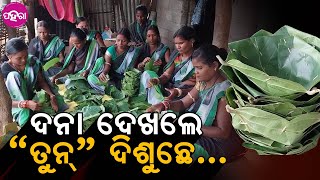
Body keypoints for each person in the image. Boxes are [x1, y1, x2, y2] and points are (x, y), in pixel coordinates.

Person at [146, 44, 246, 161]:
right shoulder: (202, 83)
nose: (196, 72)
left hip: (217, 142)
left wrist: (189, 127)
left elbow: (223, 133)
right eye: (195, 68)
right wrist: (164, 105)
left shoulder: (224, 93)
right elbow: (183, 103)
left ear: (214, 65)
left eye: (199, 68)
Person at [1, 38, 68, 127]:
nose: (24, 60)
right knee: (13, 76)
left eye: (25, 56)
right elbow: (4, 101)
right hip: (16, 105)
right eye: (19, 58)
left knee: (57, 109)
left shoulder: (32, 61)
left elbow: (41, 82)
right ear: (9, 56)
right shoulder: (4, 70)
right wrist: (25, 104)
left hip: (33, 99)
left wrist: (51, 95)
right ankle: (23, 116)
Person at [139, 26, 198, 105]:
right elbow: (167, 74)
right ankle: (160, 102)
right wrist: (157, 80)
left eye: (181, 43)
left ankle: (163, 103)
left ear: (191, 41)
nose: (178, 47)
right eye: (176, 44)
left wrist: (179, 91)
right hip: (170, 87)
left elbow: (199, 86)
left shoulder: (198, 58)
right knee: (147, 74)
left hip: (186, 92)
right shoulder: (176, 55)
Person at [87, 27, 141, 93]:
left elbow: (133, 69)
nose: (120, 43)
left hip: (126, 80)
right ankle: (111, 92)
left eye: (124, 41)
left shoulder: (133, 52)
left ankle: (115, 92)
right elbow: (108, 64)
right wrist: (104, 73)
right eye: (118, 40)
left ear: (128, 41)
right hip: (112, 78)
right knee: (90, 78)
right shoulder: (111, 50)